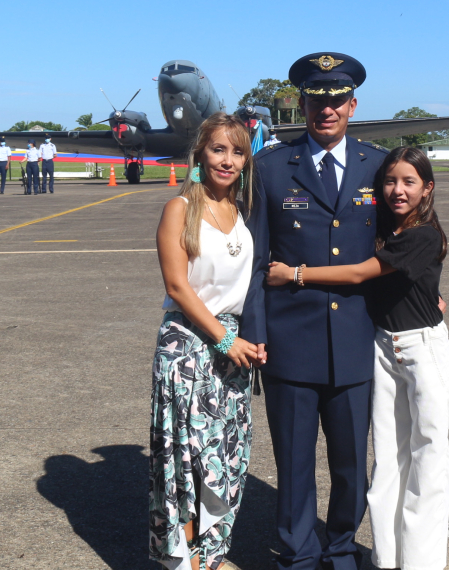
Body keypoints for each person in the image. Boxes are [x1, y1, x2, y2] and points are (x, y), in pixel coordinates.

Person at [267, 146, 449, 570]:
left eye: (409, 182)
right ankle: (388, 559)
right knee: (387, 461)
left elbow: (358, 273)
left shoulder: (422, 233)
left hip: (419, 352)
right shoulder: (390, 227)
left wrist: (294, 274)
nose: (397, 190)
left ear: (428, 189)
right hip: (382, 348)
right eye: (390, 182)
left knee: (426, 460)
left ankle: (418, 563)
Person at [243, 52, 387, 570]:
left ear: (352, 105)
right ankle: (299, 554)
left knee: (351, 465)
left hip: (355, 337)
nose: (326, 111)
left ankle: (342, 546)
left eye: (336, 102)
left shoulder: (379, 166)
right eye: (316, 102)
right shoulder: (271, 168)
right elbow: (257, 260)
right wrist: (255, 333)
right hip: (290, 339)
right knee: (295, 463)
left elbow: (402, 244)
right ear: (303, 105)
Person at [150, 112, 262, 570]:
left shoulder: (243, 211)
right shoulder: (180, 208)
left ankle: (212, 555)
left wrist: (245, 341)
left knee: (226, 459)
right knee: (189, 458)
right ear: (200, 153)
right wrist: (222, 339)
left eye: (237, 152)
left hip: (232, 349)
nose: (228, 160)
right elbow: (178, 286)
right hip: (188, 348)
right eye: (219, 149)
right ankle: (186, 560)